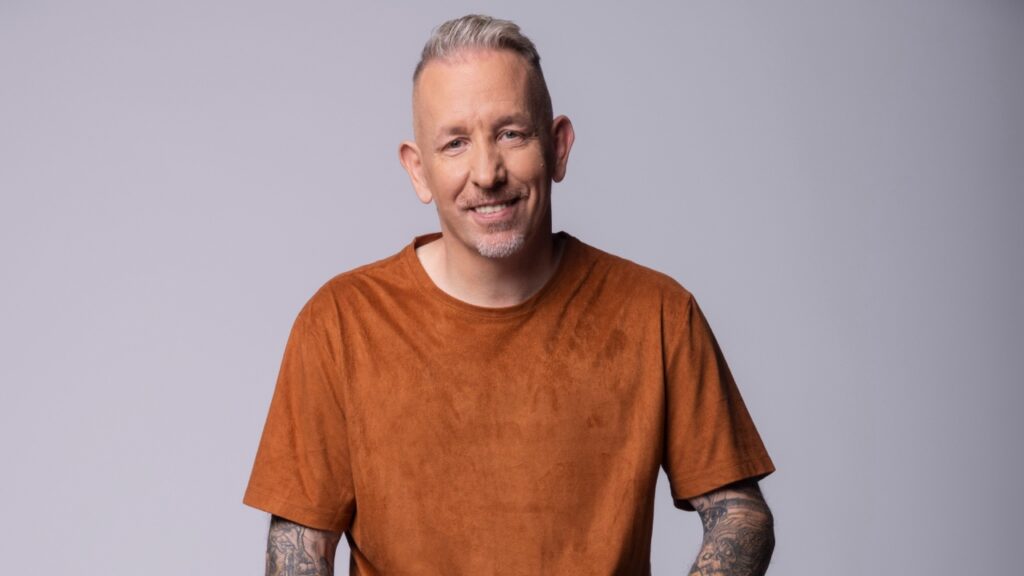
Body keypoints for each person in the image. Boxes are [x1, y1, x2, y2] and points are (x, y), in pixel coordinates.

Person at [244, 14, 776, 576]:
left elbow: (741, 516)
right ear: (419, 171)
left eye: (511, 134)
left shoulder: (657, 313)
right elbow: (299, 546)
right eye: (455, 143)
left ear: (558, 147)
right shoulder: (340, 323)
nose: (486, 173)